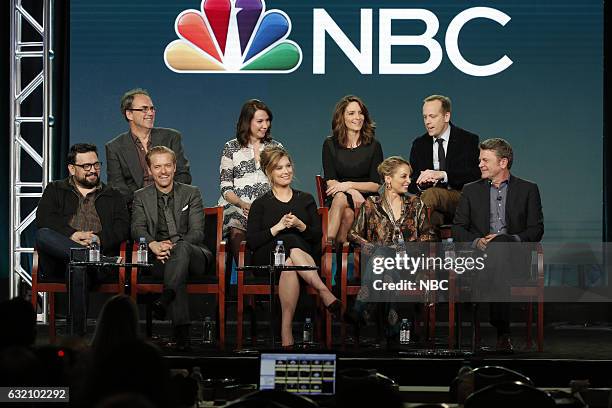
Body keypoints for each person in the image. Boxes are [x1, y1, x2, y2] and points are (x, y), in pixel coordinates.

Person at [452, 138, 544, 352]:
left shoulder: (528, 189)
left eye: (485, 160)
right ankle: (503, 331)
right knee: (496, 251)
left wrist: (510, 240)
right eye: (479, 160)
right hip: (480, 257)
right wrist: (478, 241)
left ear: (503, 163)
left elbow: (536, 230)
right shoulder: (470, 190)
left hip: (514, 259)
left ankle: (477, 305)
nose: (480, 165)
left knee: (501, 244)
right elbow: (457, 228)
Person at [247, 146, 340, 347]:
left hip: (300, 259)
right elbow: (252, 242)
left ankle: (285, 330)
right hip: (268, 259)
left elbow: (317, 237)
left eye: (288, 166)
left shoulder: (305, 199)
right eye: (279, 168)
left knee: (290, 259)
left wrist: (301, 225)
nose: (285, 171)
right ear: (269, 172)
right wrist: (277, 228)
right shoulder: (260, 204)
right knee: (287, 239)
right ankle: (324, 291)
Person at [35, 143, 129, 335]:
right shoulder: (55, 190)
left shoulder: (114, 195)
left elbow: (122, 228)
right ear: (72, 168)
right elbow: (44, 219)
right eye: (86, 166)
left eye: (96, 164)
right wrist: (72, 234)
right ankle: (87, 257)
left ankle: (75, 338)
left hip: (97, 266)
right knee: (43, 234)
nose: (93, 170)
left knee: (78, 266)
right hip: (59, 263)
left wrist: (97, 239)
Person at [131, 146, 213, 351]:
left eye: (167, 165)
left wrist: (174, 246)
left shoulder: (191, 193)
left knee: (182, 250)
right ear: (150, 170)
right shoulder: (141, 196)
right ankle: (182, 334)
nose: (163, 171)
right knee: (177, 271)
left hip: (194, 255)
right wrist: (153, 244)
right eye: (157, 167)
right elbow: (137, 228)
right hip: (160, 257)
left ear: (175, 167)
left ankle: (167, 297)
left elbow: (197, 233)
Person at [348, 156, 437, 342]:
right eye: (403, 177)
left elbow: (430, 235)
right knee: (385, 262)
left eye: (410, 177)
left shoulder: (415, 204)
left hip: (409, 264)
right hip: (380, 265)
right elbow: (353, 234)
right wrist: (373, 248)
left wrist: (404, 247)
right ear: (388, 179)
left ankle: (360, 310)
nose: (409, 181)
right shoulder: (371, 204)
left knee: (384, 259)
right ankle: (393, 333)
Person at [217, 99, 282, 278]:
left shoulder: (275, 147)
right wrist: (242, 203)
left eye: (267, 120)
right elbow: (225, 187)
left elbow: (281, 183)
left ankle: (273, 281)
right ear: (248, 122)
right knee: (235, 223)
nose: (265, 125)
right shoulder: (231, 147)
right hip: (237, 205)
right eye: (260, 121)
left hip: (266, 206)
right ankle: (246, 283)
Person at [106, 88, 191, 205]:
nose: (150, 113)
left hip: (171, 204)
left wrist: (166, 198)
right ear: (129, 114)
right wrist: (146, 203)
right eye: (144, 109)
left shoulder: (172, 137)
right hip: (136, 208)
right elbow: (117, 188)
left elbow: (183, 175)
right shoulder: (114, 147)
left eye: (152, 108)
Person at [409, 95, 480, 226]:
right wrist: (421, 184)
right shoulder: (419, 144)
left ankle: (405, 243)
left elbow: (474, 175)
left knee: (431, 195)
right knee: (431, 219)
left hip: (460, 198)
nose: (427, 122)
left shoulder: (467, 140)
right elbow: (411, 182)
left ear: (446, 117)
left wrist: (443, 175)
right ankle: (420, 246)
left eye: (432, 116)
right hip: (430, 203)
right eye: (425, 117)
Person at [322, 95, 383, 245]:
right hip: (339, 197)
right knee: (346, 210)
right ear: (341, 117)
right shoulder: (330, 144)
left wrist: (348, 185)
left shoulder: (374, 146)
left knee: (344, 205)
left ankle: (324, 246)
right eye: (351, 113)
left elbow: (376, 184)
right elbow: (331, 181)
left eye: (360, 113)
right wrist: (350, 191)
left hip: (365, 200)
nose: (357, 117)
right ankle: (334, 245)